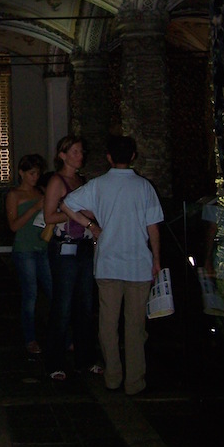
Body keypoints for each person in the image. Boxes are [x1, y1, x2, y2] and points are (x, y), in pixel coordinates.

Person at [61, 134, 164, 396]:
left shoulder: (98, 185)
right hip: (138, 264)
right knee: (135, 325)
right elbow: (153, 227)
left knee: (107, 322)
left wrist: (91, 225)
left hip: (108, 262)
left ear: (108, 157)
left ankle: (113, 375)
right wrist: (156, 259)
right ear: (132, 156)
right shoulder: (143, 187)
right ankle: (134, 381)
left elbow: (68, 203)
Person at [43, 135, 100, 380]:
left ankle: (85, 359)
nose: (80, 156)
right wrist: (76, 215)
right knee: (63, 305)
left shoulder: (82, 181)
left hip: (84, 247)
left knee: (86, 305)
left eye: (81, 151)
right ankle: (55, 361)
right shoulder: (57, 181)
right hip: (65, 249)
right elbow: (49, 216)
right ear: (62, 155)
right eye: (75, 152)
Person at [5, 153, 52, 355]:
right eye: (31, 173)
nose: (35, 177)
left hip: (42, 248)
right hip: (24, 250)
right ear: (22, 173)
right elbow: (14, 225)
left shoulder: (41, 192)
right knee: (30, 295)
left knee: (54, 292)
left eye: (37, 173)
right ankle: (30, 338)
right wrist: (35, 207)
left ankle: (61, 335)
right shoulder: (14, 195)